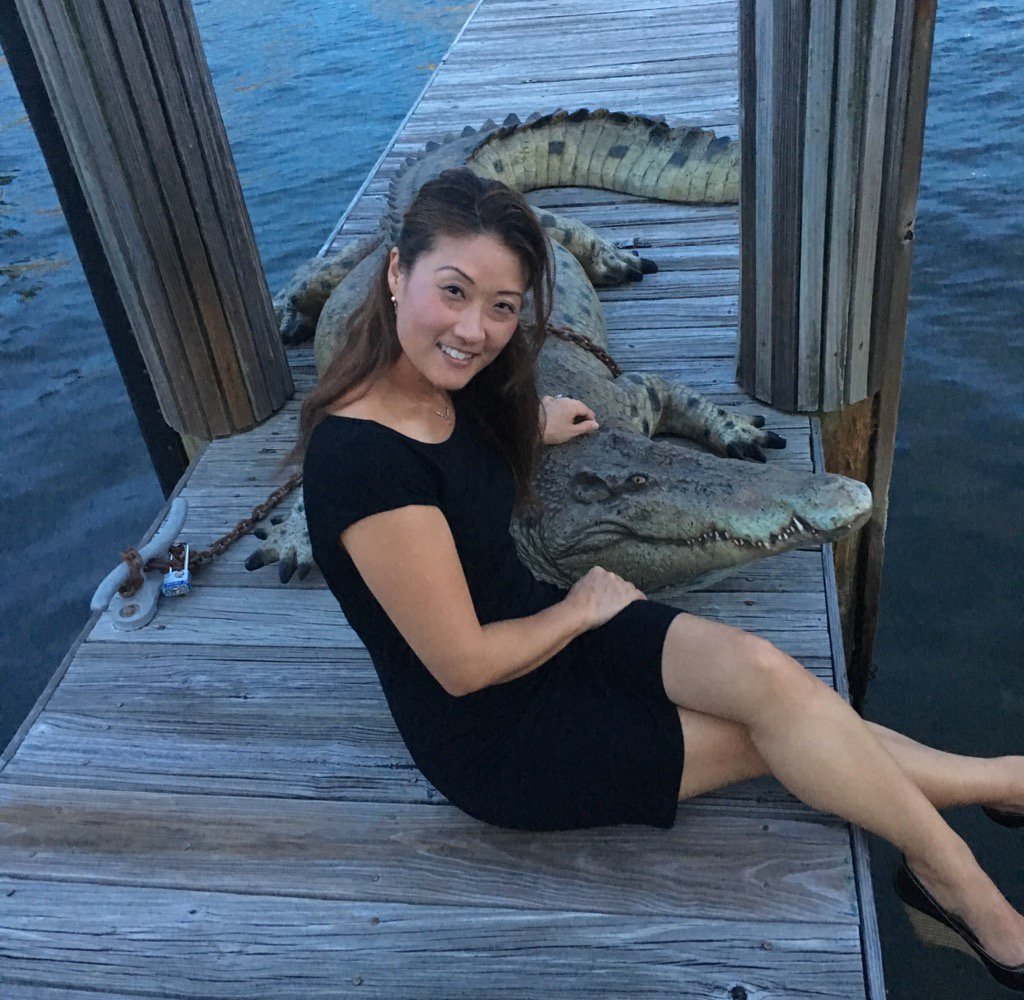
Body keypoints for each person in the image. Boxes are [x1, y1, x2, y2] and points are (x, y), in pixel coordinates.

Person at [295, 168, 1024, 990]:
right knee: (768, 737)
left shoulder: (456, 384)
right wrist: (582, 610)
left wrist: (534, 424)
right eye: (453, 291)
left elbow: (457, 468)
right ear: (398, 271)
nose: (475, 328)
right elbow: (461, 665)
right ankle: (959, 881)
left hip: (541, 625)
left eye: (502, 305)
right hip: (493, 733)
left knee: (770, 677)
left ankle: (1002, 783)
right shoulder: (361, 463)